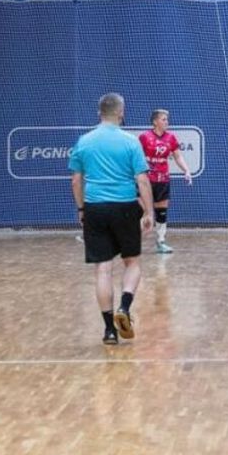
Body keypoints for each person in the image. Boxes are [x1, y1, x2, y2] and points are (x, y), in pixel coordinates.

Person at [69, 93, 156, 345]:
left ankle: (109, 330)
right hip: (125, 207)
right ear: (121, 112)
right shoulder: (130, 142)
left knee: (103, 269)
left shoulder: (84, 141)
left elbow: (76, 180)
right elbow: (142, 180)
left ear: (99, 113)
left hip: (95, 208)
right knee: (132, 262)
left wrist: (82, 209)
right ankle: (124, 308)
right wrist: (149, 212)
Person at [138, 109, 192, 255]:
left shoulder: (171, 138)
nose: (167, 122)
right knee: (141, 211)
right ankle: (131, 240)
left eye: (167, 119)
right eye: (163, 119)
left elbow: (178, 156)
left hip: (162, 180)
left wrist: (186, 170)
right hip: (146, 181)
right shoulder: (144, 137)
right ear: (155, 121)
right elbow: (137, 157)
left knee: (161, 212)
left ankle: (161, 241)